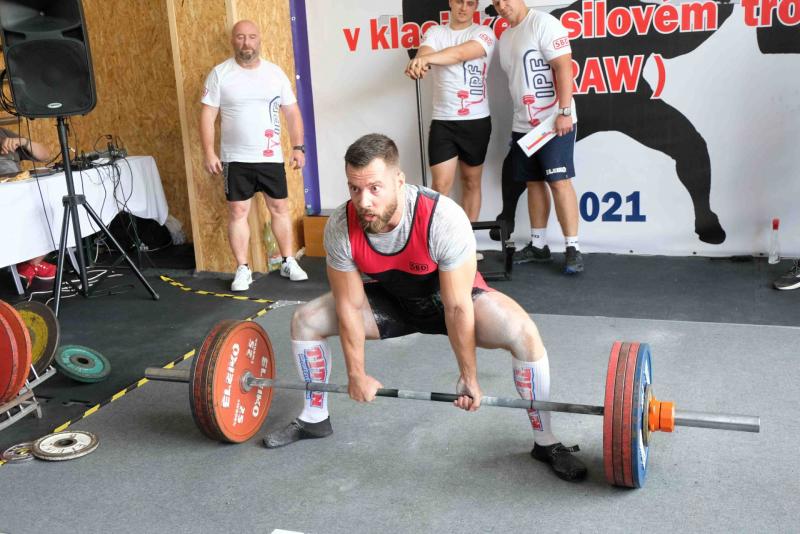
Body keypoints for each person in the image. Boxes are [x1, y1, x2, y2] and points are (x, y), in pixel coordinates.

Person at [263, 134, 587, 482]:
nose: (363, 201)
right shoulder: (341, 226)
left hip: (451, 301)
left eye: (374, 188)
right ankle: (315, 418)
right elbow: (349, 306)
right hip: (393, 303)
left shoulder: (441, 218)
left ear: (399, 180)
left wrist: (468, 377)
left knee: (523, 333)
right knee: (306, 320)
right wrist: (356, 374)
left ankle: (545, 440)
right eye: (354, 189)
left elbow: (457, 307)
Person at [200, 19, 309, 291]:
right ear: (232, 40)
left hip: (270, 157)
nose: (246, 42)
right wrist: (209, 152)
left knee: (279, 208)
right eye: (240, 37)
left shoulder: (275, 73)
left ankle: (288, 261)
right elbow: (207, 115)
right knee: (238, 211)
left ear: (259, 39)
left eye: (251, 37)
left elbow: (292, 112)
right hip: (235, 158)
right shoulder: (220, 73)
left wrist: (298, 147)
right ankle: (243, 268)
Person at [492, 0, 584, 274]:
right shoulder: (505, 37)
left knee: (559, 181)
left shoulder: (543, 23)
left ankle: (572, 248)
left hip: (553, 121)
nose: (501, 5)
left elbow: (564, 67)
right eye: (495, 2)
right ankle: (539, 246)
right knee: (533, 183)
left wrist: (564, 111)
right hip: (523, 124)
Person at [405, 0, 495, 223]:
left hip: (476, 120)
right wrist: (420, 63)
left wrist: (424, 59)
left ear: (476, 6)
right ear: (450, 2)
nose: (463, 7)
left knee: (471, 182)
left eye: (470, 3)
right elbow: (425, 52)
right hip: (443, 120)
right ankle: (439, 239)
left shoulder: (484, 33)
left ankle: (467, 239)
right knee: (440, 186)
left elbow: (460, 53)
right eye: (459, 1)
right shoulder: (435, 32)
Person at [0, 128, 56, 285]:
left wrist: (24, 142)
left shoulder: (4, 133)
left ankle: (30, 265)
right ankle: (29, 266)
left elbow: (45, 155)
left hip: (19, 195)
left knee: (54, 209)